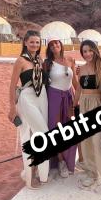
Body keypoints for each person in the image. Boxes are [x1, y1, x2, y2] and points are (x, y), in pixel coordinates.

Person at [8, 30, 49, 189]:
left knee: (36, 136)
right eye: (32, 42)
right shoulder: (20, 60)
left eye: (37, 42)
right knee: (37, 134)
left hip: (42, 97)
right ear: (25, 42)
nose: (35, 45)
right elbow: (12, 85)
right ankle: (30, 175)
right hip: (27, 98)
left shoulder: (39, 59)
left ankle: (37, 171)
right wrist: (12, 108)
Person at [74, 40, 101, 193]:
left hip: (97, 104)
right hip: (83, 104)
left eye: (90, 50)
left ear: (95, 51)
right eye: (85, 51)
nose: (88, 54)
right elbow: (79, 89)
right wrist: (74, 105)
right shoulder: (82, 69)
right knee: (86, 141)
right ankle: (91, 173)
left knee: (97, 142)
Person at [44, 37, 78, 178]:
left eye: (56, 43)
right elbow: (42, 82)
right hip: (54, 97)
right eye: (51, 45)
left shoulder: (70, 59)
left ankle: (70, 160)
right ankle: (60, 161)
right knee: (55, 129)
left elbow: (74, 80)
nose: (54, 46)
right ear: (49, 48)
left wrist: (78, 99)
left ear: (61, 44)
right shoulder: (47, 63)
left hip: (69, 96)